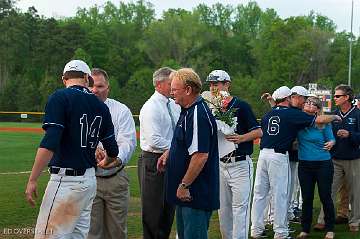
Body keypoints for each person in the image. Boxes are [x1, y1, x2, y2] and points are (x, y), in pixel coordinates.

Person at [25, 59, 119, 239]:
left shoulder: (59, 97)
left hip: (65, 182)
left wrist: (33, 179)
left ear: (63, 79)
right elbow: (113, 150)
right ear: (86, 78)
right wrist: (106, 160)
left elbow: (50, 142)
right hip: (90, 182)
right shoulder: (101, 106)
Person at [250, 86, 341, 239]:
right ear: (290, 98)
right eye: (302, 99)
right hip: (279, 156)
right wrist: (335, 117)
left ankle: (256, 229)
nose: (304, 101)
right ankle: (281, 232)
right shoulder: (293, 114)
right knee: (280, 194)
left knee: (260, 194)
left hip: (264, 154)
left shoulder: (268, 115)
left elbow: (280, 116)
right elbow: (318, 119)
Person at [161, 68, 219, 239]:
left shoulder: (197, 114)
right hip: (187, 195)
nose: (171, 93)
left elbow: (200, 155)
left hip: (194, 194)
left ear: (188, 90)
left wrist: (184, 185)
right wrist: (170, 153)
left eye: (174, 89)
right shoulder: (188, 111)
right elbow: (186, 144)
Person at [205, 70, 262, 239]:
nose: (212, 87)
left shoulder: (241, 105)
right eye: (211, 84)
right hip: (220, 164)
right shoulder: (209, 107)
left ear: (227, 84)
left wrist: (242, 138)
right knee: (223, 209)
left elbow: (259, 132)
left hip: (240, 165)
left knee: (240, 209)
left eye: (216, 84)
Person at [88, 68, 136, 239]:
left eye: (100, 86)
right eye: (91, 85)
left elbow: (128, 142)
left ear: (108, 88)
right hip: (88, 179)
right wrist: (91, 150)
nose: (95, 90)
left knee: (116, 233)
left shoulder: (121, 110)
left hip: (115, 179)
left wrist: (113, 158)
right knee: (91, 233)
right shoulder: (78, 110)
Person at [138, 67, 180, 239]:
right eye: (171, 83)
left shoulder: (173, 105)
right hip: (153, 161)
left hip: (169, 158)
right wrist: (177, 149)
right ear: (159, 84)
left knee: (168, 211)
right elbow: (154, 139)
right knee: (153, 212)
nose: (174, 86)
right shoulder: (151, 107)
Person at [315, 84, 360, 233]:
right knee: (329, 191)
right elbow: (325, 134)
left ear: (347, 97)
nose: (334, 98)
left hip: (354, 159)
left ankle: (354, 221)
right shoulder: (333, 114)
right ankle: (323, 220)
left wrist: (350, 135)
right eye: (334, 95)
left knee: (355, 192)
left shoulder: (357, 114)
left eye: (337, 96)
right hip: (335, 159)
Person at [295, 96, 336, 239]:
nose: (308, 104)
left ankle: (330, 229)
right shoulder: (298, 120)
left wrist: (331, 142)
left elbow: (331, 138)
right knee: (307, 198)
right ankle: (305, 229)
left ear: (317, 109)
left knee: (325, 197)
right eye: (307, 102)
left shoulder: (323, 124)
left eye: (312, 104)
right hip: (304, 164)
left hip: (323, 163)